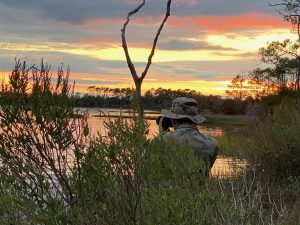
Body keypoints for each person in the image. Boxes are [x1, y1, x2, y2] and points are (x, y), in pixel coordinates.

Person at [157, 97, 218, 169]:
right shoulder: (212, 144)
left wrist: (162, 134)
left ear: (173, 120)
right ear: (195, 120)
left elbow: (154, 168)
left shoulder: (163, 139)